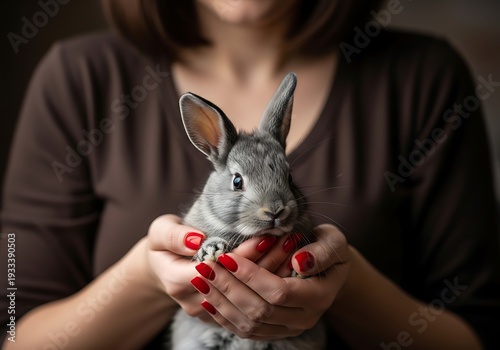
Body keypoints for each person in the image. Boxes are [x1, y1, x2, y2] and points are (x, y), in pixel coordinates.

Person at [1, 0, 499, 349]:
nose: (274, 205)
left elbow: (478, 329)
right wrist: (149, 278)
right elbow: (14, 333)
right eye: (242, 183)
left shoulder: (424, 76)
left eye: (283, 178)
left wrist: (344, 285)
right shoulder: (79, 78)